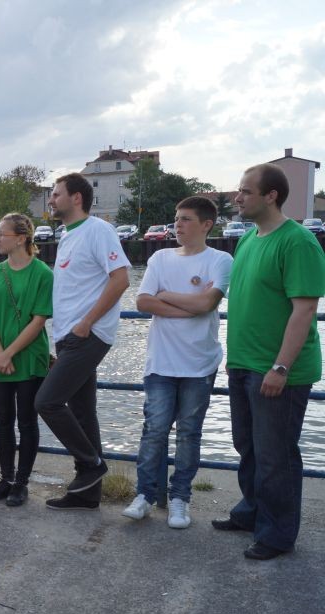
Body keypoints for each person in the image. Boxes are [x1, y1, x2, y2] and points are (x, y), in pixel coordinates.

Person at [214, 163, 325, 560]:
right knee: (248, 446)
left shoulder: (297, 242)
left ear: (271, 196)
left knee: (276, 454)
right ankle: (252, 511)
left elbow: (304, 309)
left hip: (277, 370)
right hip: (243, 363)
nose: (237, 197)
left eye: (245, 191)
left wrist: (281, 367)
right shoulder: (248, 238)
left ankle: (277, 534)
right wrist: (235, 360)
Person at [123, 197, 232, 529]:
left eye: (185, 219)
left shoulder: (221, 259)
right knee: (154, 430)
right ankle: (144, 494)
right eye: (176, 218)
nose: (177, 225)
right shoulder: (160, 257)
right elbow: (143, 301)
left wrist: (166, 295)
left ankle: (180, 498)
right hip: (161, 362)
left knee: (189, 434)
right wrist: (190, 305)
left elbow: (207, 304)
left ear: (206, 225)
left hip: (199, 364)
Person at [36, 172, 130, 510]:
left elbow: (121, 280)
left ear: (76, 198)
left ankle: (91, 465)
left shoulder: (98, 230)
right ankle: (87, 493)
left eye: (56, 194)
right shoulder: (67, 235)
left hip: (88, 335)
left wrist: (87, 322)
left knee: (46, 402)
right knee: (82, 412)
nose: (51, 200)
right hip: (67, 336)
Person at [0, 214, 53, 507]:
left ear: (21, 239)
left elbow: (38, 320)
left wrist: (8, 353)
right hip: (0, 360)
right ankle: (6, 478)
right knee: (3, 420)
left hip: (30, 358)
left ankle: (21, 482)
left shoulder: (42, 273)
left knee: (27, 421)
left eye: (2, 233)